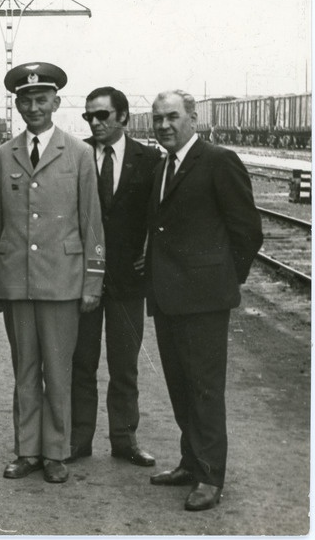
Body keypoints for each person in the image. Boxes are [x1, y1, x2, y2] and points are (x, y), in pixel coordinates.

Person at [0, 62, 105, 484]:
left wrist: (93, 279)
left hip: (63, 279)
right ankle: (27, 450)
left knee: (58, 370)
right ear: (17, 104)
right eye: (26, 100)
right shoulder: (3, 154)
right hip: (17, 279)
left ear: (56, 103)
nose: (34, 107)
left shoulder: (79, 153)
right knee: (24, 371)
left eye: (42, 99)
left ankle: (56, 451)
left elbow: (92, 222)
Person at [146, 90, 262, 511]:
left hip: (204, 301)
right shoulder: (162, 167)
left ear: (193, 118)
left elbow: (247, 230)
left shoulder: (218, 161)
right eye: (158, 119)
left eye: (173, 117)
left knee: (205, 389)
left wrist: (222, 281)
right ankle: (191, 461)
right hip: (168, 297)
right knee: (179, 386)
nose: (164, 126)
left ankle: (211, 476)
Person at [69, 86, 161, 466]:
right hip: (82, 279)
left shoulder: (150, 159)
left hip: (127, 281)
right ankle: (78, 439)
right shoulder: (75, 155)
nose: (94, 122)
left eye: (102, 115)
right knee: (81, 362)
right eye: (89, 116)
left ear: (123, 116)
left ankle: (124, 440)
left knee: (124, 365)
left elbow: (164, 212)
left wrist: (151, 252)